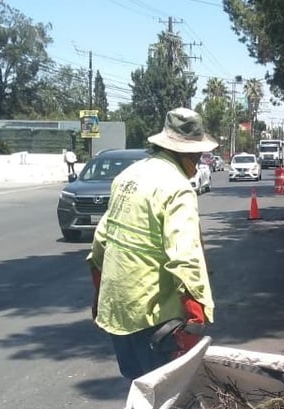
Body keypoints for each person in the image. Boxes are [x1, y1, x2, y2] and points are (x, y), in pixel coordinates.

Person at [86, 107, 217, 380]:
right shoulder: (176, 187)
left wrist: (99, 295)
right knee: (169, 400)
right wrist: (196, 317)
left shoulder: (128, 176)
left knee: (138, 387)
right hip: (155, 318)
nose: (198, 161)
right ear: (188, 153)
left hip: (118, 310)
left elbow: (102, 240)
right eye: (197, 154)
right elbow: (185, 256)